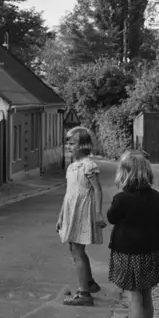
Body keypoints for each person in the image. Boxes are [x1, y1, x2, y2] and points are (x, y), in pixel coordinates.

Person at [107, 149, 159, 318]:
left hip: (128, 254)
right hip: (150, 252)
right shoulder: (156, 198)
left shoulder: (122, 199)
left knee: (134, 298)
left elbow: (111, 217)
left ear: (124, 174)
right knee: (146, 296)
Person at [57, 126, 105, 306]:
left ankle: (84, 293)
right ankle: (89, 282)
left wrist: (99, 212)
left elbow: (97, 190)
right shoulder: (71, 167)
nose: (68, 146)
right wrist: (61, 216)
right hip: (71, 211)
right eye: (67, 143)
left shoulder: (88, 165)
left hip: (82, 211)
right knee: (74, 249)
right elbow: (68, 194)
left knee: (78, 251)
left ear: (84, 145)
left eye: (72, 143)